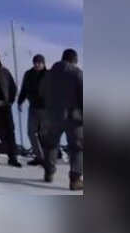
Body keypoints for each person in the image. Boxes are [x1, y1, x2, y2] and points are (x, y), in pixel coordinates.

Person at [39, 48, 84, 190]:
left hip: (52, 116)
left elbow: (41, 91)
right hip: (74, 118)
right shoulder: (77, 73)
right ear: (74, 59)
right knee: (77, 148)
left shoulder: (49, 74)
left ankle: (49, 172)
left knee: (50, 145)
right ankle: (75, 180)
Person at [17, 54, 48, 166]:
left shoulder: (48, 75)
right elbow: (24, 89)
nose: (37, 64)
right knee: (31, 132)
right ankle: (39, 156)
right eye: (35, 62)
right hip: (33, 107)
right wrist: (20, 101)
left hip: (46, 109)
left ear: (43, 63)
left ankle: (46, 158)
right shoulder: (28, 74)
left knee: (44, 134)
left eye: (39, 63)